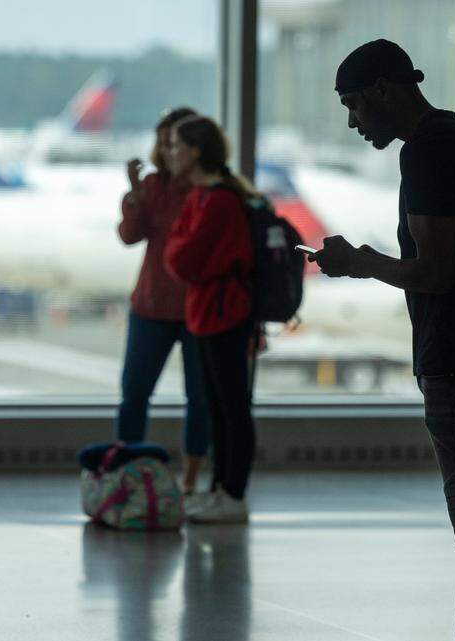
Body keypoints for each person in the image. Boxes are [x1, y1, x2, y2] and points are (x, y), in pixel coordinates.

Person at [315, 39, 455, 641]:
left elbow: (436, 272)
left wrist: (359, 261)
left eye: (354, 104)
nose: (353, 121)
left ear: (385, 90)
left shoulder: (429, 153)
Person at [164, 115, 257, 524]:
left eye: (175, 146)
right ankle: (220, 488)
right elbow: (179, 255)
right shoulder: (200, 197)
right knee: (218, 407)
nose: (169, 154)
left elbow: (181, 257)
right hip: (206, 312)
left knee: (231, 407)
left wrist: (180, 247)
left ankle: (233, 492)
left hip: (224, 313)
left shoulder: (218, 200)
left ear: (196, 151)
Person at [115, 106, 211, 495]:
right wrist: (135, 196)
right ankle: (127, 472)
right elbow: (129, 235)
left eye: (172, 143)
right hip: (152, 307)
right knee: (135, 394)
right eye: (161, 142)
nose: (165, 150)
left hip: (196, 310)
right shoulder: (154, 186)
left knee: (199, 399)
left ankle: (189, 478)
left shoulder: (208, 190)